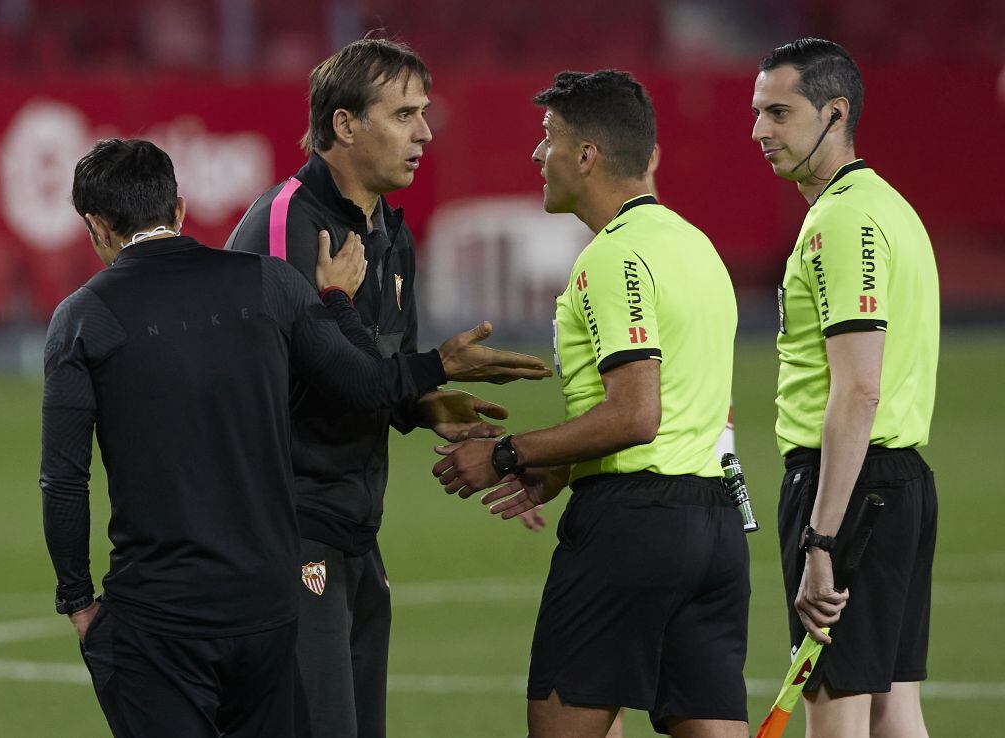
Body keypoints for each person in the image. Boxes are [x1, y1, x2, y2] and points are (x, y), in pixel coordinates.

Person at [41, 138, 540, 737]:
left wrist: (79, 602)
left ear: (96, 225)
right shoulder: (272, 284)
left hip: (159, 616)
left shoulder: (83, 317)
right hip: (268, 611)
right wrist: (410, 351)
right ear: (178, 208)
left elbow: (64, 480)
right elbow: (364, 384)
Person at [224, 37, 550, 738]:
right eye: (404, 114)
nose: (425, 133)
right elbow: (327, 370)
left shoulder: (388, 235)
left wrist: (427, 406)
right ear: (345, 125)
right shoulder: (292, 222)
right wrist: (435, 370)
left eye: (423, 113)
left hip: (351, 528)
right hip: (281, 530)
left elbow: (373, 375)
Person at [433, 70, 748, 738]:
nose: (536, 156)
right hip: (715, 527)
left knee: (560, 723)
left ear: (587, 156)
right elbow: (699, 411)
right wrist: (560, 471)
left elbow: (637, 415)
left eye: (547, 139)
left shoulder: (613, 259)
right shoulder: (699, 249)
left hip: (633, 526)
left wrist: (506, 454)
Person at [751, 38, 939, 737]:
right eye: (757, 112)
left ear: (835, 113)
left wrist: (822, 538)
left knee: (836, 711)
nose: (760, 131)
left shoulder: (842, 220)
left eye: (779, 112)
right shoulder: (887, 206)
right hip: (900, 481)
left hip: (849, 489)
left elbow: (858, 389)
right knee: (895, 709)